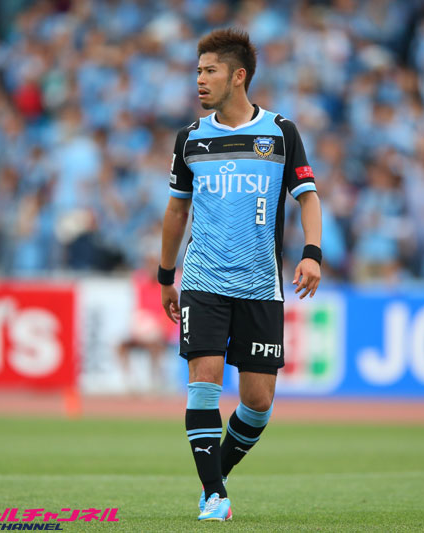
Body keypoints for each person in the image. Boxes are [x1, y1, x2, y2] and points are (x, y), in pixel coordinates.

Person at [158, 28, 322, 522]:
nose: (200, 79)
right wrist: (165, 276)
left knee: (258, 402)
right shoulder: (190, 138)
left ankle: (217, 477)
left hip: (259, 285)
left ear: (238, 76)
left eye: (210, 71)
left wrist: (312, 253)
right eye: (198, 71)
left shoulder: (280, 133)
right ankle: (214, 495)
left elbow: (308, 198)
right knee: (203, 381)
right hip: (203, 281)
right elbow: (176, 212)